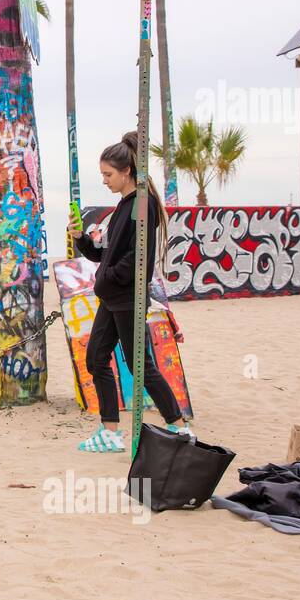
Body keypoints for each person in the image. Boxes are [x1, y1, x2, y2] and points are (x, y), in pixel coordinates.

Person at [67, 132, 191, 453]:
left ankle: (178, 427)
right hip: (114, 297)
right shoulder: (124, 206)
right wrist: (81, 237)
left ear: (126, 171)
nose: (105, 180)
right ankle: (110, 432)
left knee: (140, 365)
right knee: (96, 358)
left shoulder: (140, 204)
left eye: (108, 174)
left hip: (126, 297)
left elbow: (138, 258)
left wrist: (107, 278)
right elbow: (102, 253)